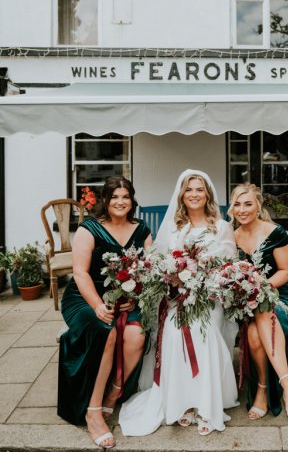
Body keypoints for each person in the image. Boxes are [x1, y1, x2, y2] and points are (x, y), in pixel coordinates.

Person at [119, 169, 239, 436]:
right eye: (189, 189)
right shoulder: (174, 230)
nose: (194, 194)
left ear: (207, 194)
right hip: (177, 299)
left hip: (210, 299)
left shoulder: (221, 227)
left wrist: (205, 278)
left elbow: (228, 264)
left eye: (199, 189)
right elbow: (161, 266)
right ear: (181, 195)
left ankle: (207, 407)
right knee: (173, 334)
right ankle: (182, 403)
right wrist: (174, 283)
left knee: (204, 332)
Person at [57, 176, 152, 449]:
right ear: (105, 201)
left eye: (126, 196)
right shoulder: (89, 229)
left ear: (132, 200)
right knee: (107, 331)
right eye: (114, 197)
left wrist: (135, 298)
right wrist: (98, 304)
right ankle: (93, 411)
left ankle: (114, 393)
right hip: (85, 298)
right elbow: (79, 273)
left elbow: (149, 271)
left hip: (126, 299)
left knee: (137, 336)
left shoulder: (141, 229)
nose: (120, 202)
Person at [229, 183, 288, 420]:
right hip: (245, 302)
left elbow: (285, 272)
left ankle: (285, 385)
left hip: (279, 297)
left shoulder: (275, 232)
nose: (242, 209)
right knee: (252, 334)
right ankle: (269, 387)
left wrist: (259, 288)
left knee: (263, 310)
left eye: (248, 204)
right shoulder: (230, 236)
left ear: (258, 205)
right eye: (237, 204)